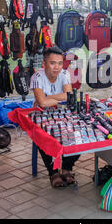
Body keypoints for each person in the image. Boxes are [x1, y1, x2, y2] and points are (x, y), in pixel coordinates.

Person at [30, 46, 80, 188]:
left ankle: (67, 168)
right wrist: (57, 99)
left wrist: (47, 98)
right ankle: (53, 173)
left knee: (78, 135)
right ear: (44, 64)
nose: (57, 67)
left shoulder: (64, 74)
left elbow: (68, 96)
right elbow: (42, 103)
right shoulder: (37, 77)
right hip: (41, 115)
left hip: (63, 114)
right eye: (52, 63)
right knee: (42, 137)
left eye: (59, 63)